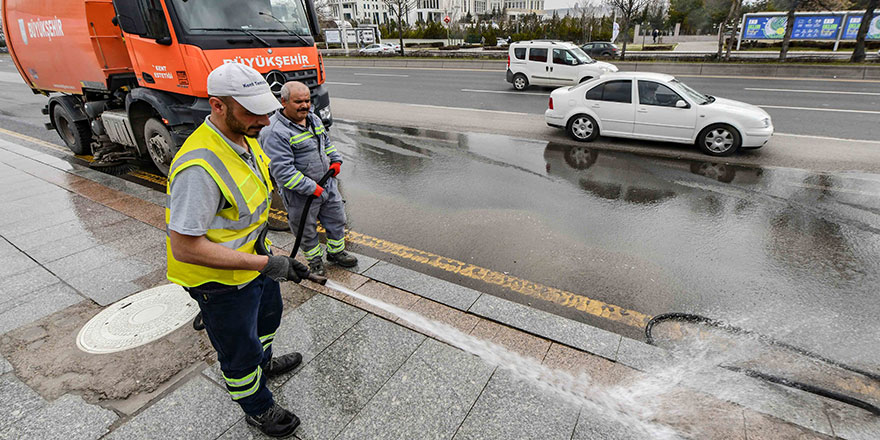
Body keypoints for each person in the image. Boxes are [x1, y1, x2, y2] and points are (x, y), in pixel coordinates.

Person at [166, 63, 309, 438]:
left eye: (264, 109)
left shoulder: (246, 139)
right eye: (250, 111)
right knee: (238, 351)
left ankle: (264, 364)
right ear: (217, 106)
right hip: (219, 282)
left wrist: (267, 255)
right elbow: (185, 247)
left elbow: (245, 213)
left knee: (266, 322)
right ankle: (258, 408)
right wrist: (266, 262)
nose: (263, 120)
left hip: (253, 266)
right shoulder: (198, 167)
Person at [260, 81, 358, 276]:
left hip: (327, 185)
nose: (305, 105)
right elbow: (282, 171)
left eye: (307, 100)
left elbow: (326, 143)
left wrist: (336, 160)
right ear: (284, 101)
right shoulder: (274, 132)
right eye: (298, 101)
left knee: (337, 219)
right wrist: (310, 187)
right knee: (306, 229)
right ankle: (314, 260)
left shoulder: (313, 119)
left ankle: (336, 252)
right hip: (300, 194)